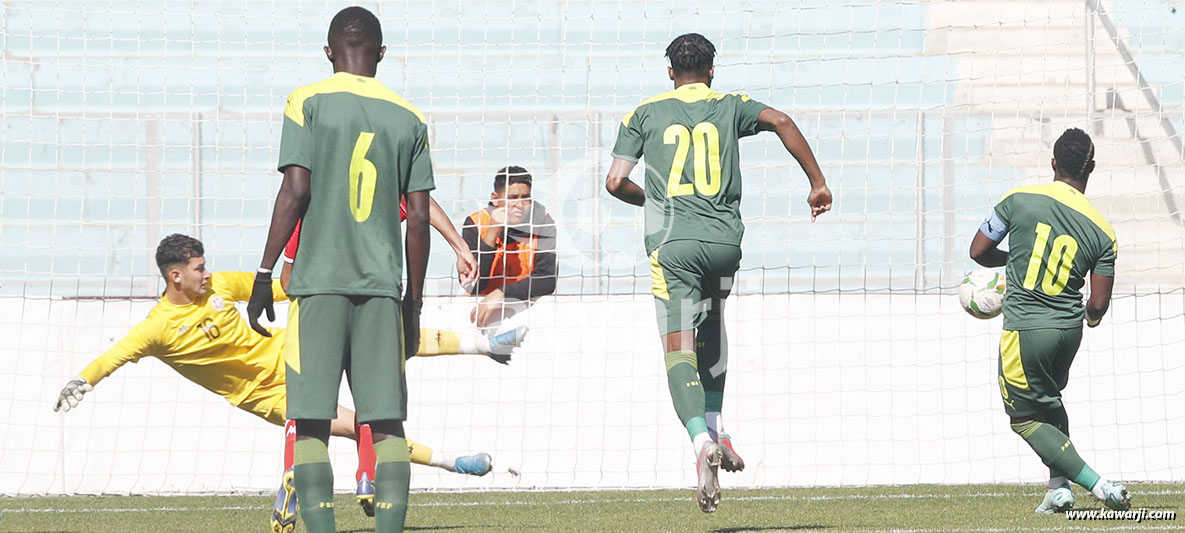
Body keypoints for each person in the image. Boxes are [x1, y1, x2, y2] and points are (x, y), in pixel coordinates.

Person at [49, 235, 513, 529]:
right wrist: (82, 380)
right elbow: (115, 356)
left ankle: (483, 343)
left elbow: (271, 287)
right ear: (175, 276)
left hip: (292, 352)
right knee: (361, 425)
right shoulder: (156, 328)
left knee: (383, 341)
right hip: (264, 393)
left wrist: (319, 278)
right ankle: (454, 462)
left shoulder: (217, 289)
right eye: (197, 268)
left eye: (205, 265)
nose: (206, 273)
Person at [604, 33, 832, 513]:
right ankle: (718, 424)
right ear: (712, 70)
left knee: (678, 346)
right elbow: (782, 121)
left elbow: (615, 182)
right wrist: (817, 182)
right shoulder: (731, 105)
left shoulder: (643, 114)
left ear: (669, 71)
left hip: (674, 246)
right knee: (713, 327)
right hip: (725, 244)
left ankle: (699, 441)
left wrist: (656, 200)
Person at [246, 7, 428, 532]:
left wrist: (262, 275)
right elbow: (416, 217)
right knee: (387, 423)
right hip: (381, 290)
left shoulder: (307, 100)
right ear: (382, 54)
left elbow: (295, 189)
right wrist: (411, 304)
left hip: (317, 286)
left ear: (329, 52)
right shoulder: (409, 116)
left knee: (310, 423)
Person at [970, 128, 1131, 514]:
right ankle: (1058, 489)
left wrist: (1019, 260)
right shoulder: (1104, 231)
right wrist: (1090, 318)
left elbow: (978, 251)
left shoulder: (1018, 199)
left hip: (1026, 328)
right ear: (1091, 168)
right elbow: (1098, 303)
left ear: (1054, 163)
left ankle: (1101, 486)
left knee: (1024, 419)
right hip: (1067, 331)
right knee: (1050, 403)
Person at [461, 166, 558, 328]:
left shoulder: (543, 221)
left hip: (528, 315)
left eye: (525, 197)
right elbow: (473, 285)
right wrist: (492, 234)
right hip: (480, 315)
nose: (519, 204)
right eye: (512, 197)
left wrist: (502, 294)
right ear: (495, 199)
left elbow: (547, 279)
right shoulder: (475, 223)